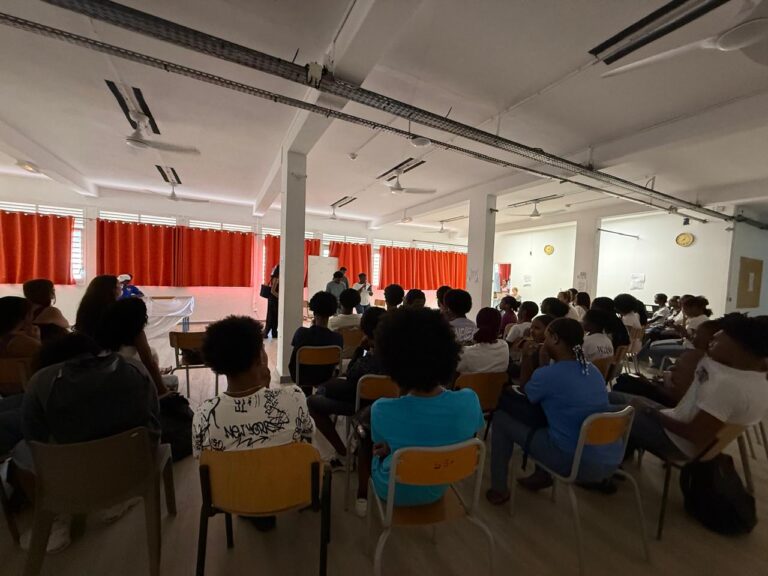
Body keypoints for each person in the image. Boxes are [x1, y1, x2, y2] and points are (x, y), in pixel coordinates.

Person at [16, 332, 160, 552]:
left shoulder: (42, 382)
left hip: (72, 475)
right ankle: (114, 501)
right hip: (132, 470)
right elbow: (154, 422)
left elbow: (32, 436)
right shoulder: (133, 369)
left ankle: (56, 520)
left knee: (21, 451)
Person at [194, 316, 313, 532]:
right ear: (259, 358)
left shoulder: (204, 414)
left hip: (232, 494)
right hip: (290, 487)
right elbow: (308, 433)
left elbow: (201, 456)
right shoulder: (294, 397)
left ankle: (254, 507)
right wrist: (265, 390)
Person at [487, 318, 620, 502]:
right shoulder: (592, 370)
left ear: (555, 339)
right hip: (607, 456)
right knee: (549, 417)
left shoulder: (549, 374)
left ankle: (499, 489)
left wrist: (527, 358)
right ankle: (541, 475)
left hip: (573, 460)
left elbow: (527, 392)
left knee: (501, 419)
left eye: (547, 337)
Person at [611, 314, 768, 462]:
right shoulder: (756, 379)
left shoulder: (729, 386)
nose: (712, 340)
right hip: (675, 420)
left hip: (674, 441)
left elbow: (693, 434)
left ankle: (606, 464)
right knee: (613, 397)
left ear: (739, 346)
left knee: (604, 410)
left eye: (717, 339)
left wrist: (649, 410)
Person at [369, 308, 484, 506]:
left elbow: (382, 444)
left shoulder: (382, 409)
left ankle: (361, 498)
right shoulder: (469, 400)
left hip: (392, 489)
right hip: (440, 484)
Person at [307, 307, 387, 473]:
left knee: (313, 401)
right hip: (385, 404)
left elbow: (351, 373)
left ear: (366, 332)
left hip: (359, 405)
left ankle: (343, 454)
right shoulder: (396, 356)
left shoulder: (368, 361)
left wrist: (359, 349)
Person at [75, 275, 168, 396]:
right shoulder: (121, 312)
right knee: (152, 353)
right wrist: (163, 391)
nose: (121, 288)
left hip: (90, 365)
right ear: (113, 290)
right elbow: (147, 358)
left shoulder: (84, 313)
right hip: (118, 362)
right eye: (119, 286)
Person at [613, 319, 721, 407]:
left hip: (668, 402)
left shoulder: (696, 359)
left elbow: (676, 395)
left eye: (697, 333)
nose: (693, 336)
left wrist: (655, 382)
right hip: (667, 392)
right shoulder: (704, 359)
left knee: (623, 383)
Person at [289, 291, 344, 394]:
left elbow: (295, 354)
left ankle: (306, 395)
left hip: (302, 377)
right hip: (326, 377)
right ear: (332, 313)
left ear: (314, 312)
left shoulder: (301, 333)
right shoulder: (337, 338)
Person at [457, 308, 509, 374]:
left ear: (477, 325)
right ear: (498, 327)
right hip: (498, 381)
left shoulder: (466, 353)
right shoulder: (504, 346)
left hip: (469, 381)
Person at [0, 296, 41, 363]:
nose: (33, 317)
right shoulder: (21, 342)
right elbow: (45, 359)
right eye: (31, 313)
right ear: (25, 316)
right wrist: (36, 339)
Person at [263, 265, 279, 339]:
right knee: (272, 317)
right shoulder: (276, 279)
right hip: (273, 300)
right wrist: (280, 297)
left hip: (272, 300)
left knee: (273, 317)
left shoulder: (274, 278)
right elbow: (272, 291)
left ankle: (273, 332)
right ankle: (267, 333)